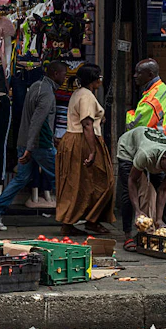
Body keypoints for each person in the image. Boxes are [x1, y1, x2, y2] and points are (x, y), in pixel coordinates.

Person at [0, 61, 68, 231]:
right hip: (38, 145)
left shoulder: (37, 86)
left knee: (22, 178)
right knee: (61, 175)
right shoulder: (46, 93)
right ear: (54, 73)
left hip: (27, 142)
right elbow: (38, 122)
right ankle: (71, 215)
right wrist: (31, 148)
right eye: (63, 74)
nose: (65, 78)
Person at [124, 58, 166, 246]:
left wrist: (128, 112)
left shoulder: (153, 98)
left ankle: (153, 229)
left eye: (139, 72)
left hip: (159, 152)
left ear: (150, 75)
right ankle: (165, 225)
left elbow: (134, 125)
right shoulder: (161, 90)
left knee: (152, 191)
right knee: (162, 191)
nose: (135, 75)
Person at [56, 63, 116, 236]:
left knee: (77, 183)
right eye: (100, 77)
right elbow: (87, 124)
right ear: (94, 80)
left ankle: (84, 220)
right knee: (105, 181)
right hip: (82, 141)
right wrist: (92, 150)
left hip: (73, 139)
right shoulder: (87, 96)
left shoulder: (79, 93)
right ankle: (90, 220)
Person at [118, 127, 166, 251]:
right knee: (127, 192)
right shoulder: (146, 154)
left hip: (151, 151)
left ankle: (164, 231)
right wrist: (138, 211)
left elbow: (163, 189)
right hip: (128, 149)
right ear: (163, 158)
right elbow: (132, 181)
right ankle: (127, 234)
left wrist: (158, 219)